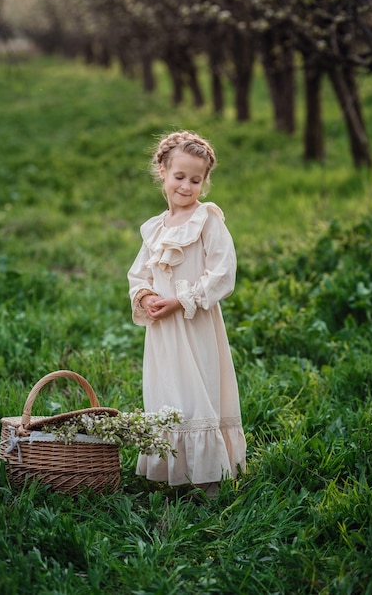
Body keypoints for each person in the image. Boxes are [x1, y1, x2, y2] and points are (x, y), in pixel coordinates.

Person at [127, 130, 246, 496]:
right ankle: (173, 472)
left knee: (198, 391)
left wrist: (181, 300)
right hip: (163, 330)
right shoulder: (155, 228)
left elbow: (223, 273)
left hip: (195, 324)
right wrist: (146, 296)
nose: (186, 186)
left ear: (204, 182)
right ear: (162, 171)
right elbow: (139, 273)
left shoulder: (208, 220)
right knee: (169, 392)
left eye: (196, 180)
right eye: (179, 176)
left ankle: (210, 478)